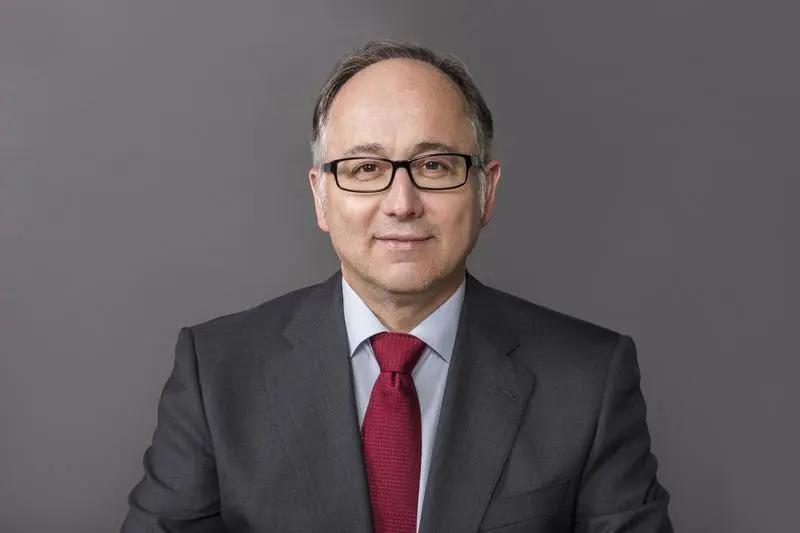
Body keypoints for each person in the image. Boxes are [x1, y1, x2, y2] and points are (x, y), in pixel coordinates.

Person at [121, 40, 673, 533]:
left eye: (434, 166)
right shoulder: (217, 373)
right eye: (365, 169)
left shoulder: (588, 380)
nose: (402, 203)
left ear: (485, 191)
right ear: (321, 197)